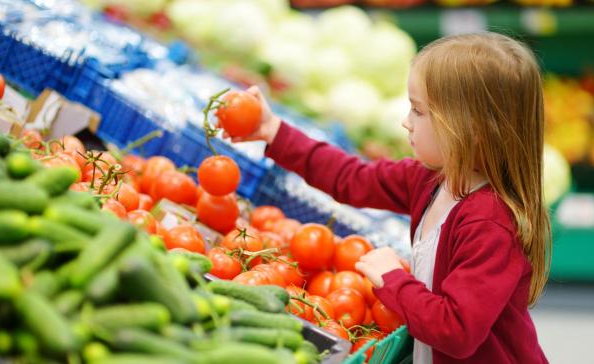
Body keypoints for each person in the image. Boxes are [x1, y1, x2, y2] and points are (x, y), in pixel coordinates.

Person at [228, 32, 550, 364]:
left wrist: (393, 279)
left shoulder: (489, 222)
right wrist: (275, 131)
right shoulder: (430, 179)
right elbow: (350, 178)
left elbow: (456, 331)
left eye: (418, 111)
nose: (405, 122)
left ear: (471, 129)